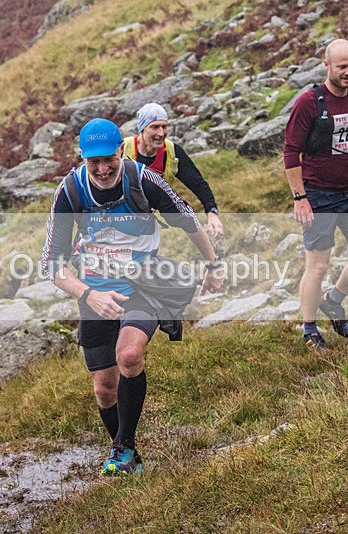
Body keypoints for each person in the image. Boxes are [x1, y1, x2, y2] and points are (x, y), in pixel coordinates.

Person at [41, 118, 223, 475]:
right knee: (104, 391)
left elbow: (189, 221)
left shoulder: (142, 179)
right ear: (83, 159)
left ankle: (122, 449)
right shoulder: (70, 192)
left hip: (143, 285)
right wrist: (88, 294)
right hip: (95, 292)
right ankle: (126, 451)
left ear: (121, 151)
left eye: (109, 159)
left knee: (128, 355)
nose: (103, 168)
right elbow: (51, 265)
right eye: (94, 161)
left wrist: (213, 265)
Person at [283, 39, 348, 350]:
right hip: (318, 195)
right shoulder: (309, 102)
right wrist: (300, 197)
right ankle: (309, 328)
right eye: (342, 66)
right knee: (318, 265)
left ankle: (334, 300)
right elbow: (291, 152)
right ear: (326, 65)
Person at [123, 102, 224, 240]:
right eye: (154, 127)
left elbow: (198, 183)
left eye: (164, 127)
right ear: (142, 128)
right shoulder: (123, 148)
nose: (161, 133)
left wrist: (212, 212)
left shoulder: (171, 152)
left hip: (148, 220)